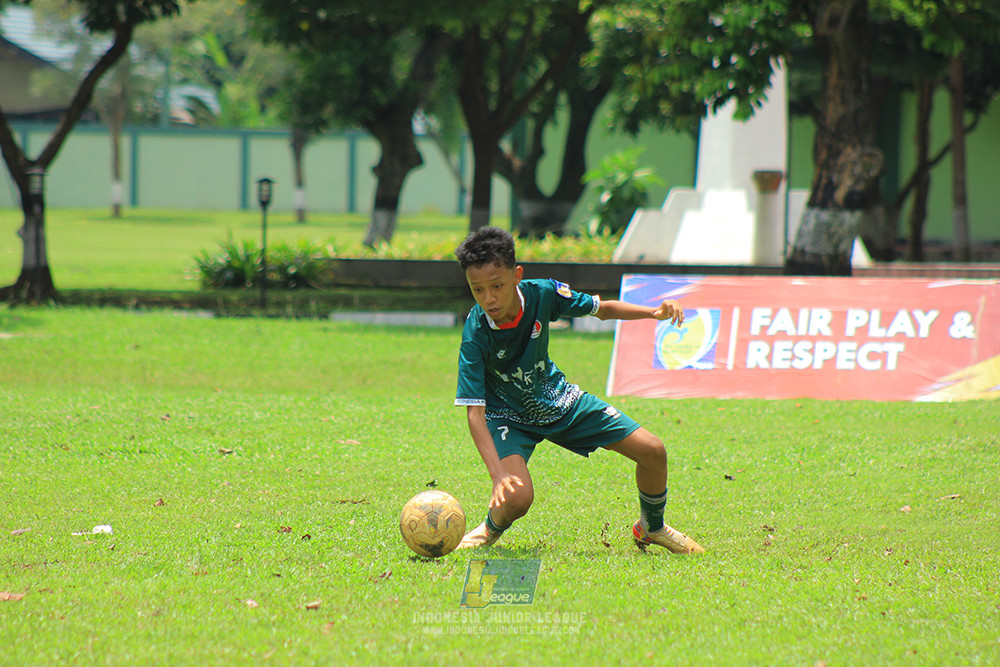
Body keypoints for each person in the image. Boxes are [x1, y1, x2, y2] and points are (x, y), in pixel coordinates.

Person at [453, 227, 704, 554]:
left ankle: (651, 527)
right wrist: (498, 474)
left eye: (496, 286)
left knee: (653, 451)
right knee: (516, 497)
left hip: (558, 400)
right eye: (478, 290)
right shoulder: (475, 333)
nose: (488, 298)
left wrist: (653, 313)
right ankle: (488, 529)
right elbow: (475, 413)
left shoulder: (544, 293)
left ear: (517, 276)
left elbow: (603, 310)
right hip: (508, 417)